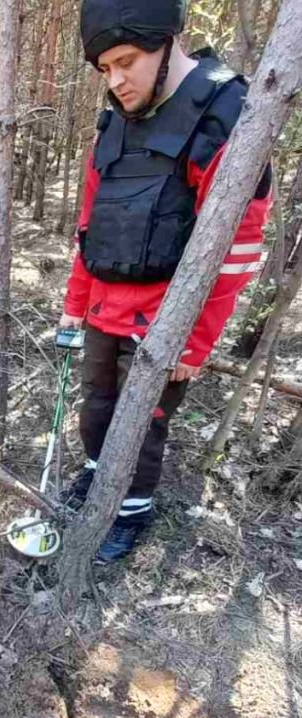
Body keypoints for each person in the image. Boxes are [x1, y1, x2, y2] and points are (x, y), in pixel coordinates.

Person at [60, 0, 271, 563]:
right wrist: (74, 305)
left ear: (167, 41)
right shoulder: (114, 122)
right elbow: (92, 222)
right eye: (105, 68)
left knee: (143, 425)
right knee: (96, 406)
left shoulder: (226, 113)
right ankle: (94, 473)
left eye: (126, 61)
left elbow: (236, 246)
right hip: (105, 306)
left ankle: (131, 511)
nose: (117, 80)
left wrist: (193, 341)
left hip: (164, 323)